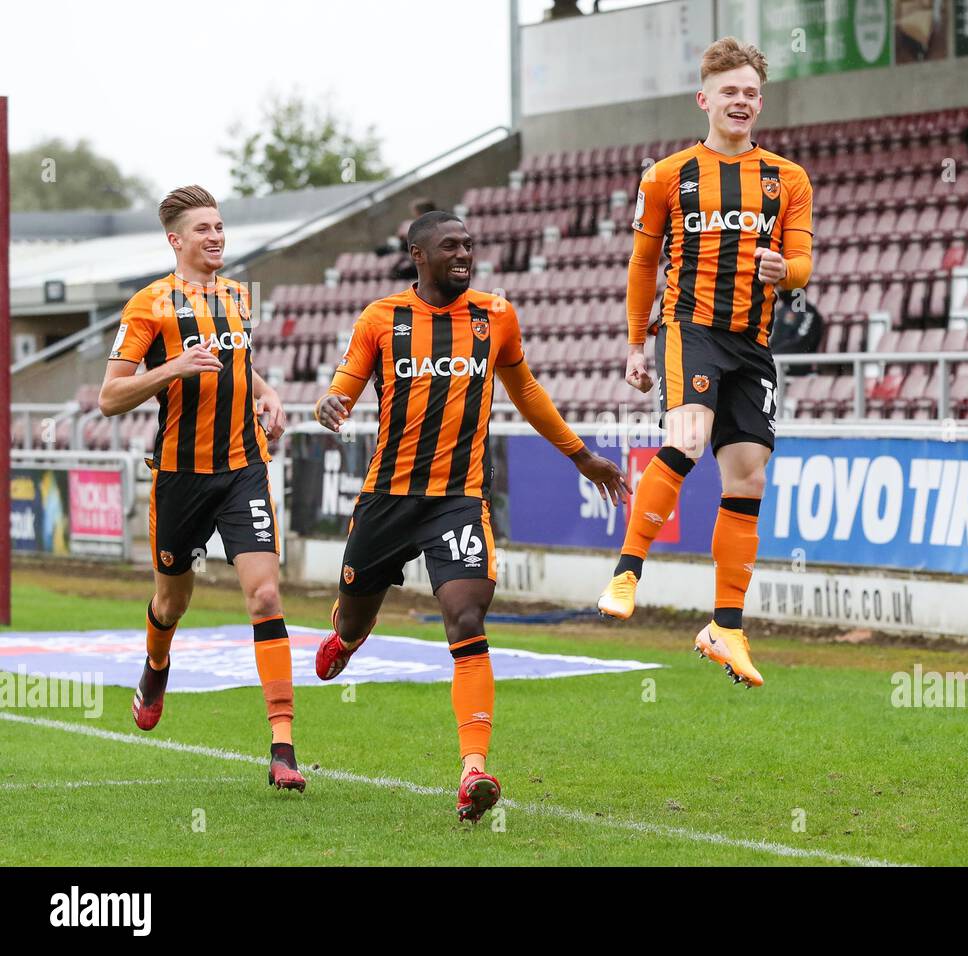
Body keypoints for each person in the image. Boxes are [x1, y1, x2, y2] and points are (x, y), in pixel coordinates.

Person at [312, 211, 627, 822]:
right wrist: (335, 401)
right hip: (388, 499)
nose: (464, 254)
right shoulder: (382, 318)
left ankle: (473, 768)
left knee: (466, 616)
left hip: (459, 498)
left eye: (469, 246)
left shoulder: (496, 316)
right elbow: (347, 381)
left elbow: (527, 390)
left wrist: (582, 457)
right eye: (450, 246)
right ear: (417, 255)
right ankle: (348, 636)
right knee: (355, 612)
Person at [596, 37, 814, 689]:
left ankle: (726, 627)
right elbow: (643, 263)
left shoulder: (788, 178)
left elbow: (802, 261)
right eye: (730, 92)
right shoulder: (667, 175)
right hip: (691, 328)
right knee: (687, 439)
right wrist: (636, 344)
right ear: (705, 99)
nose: (741, 102)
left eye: (751, 93)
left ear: (759, 101)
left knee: (748, 479)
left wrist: (786, 271)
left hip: (753, 344)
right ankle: (628, 570)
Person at [98, 185, 304, 791]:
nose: (217, 236)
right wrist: (174, 368)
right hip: (179, 478)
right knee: (171, 603)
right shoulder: (149, 305)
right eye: (204, 229)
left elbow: (237, 360)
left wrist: (266, 393)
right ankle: (156, 665)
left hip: (244, 468)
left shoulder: (239, 297)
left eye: (220, 226)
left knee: (265, 597)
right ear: (176, 240)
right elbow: (111, 395)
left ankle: (283, 750)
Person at [767, 290, 824, 374]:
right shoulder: (781, 310)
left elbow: (801, 343)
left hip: (797, 363)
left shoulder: (807, 311)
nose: (779, 287)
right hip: (775, 360)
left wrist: (772, 355)